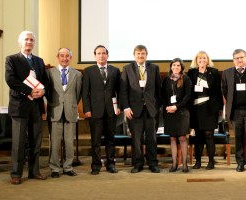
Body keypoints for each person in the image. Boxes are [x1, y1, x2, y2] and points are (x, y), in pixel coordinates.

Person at [5, 30, 49, 184]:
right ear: (20, 42)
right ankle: (16, 174)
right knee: (19, 142)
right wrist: (30, 91)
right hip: (20, 105)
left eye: (31, 40)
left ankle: (34, 171)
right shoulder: (11, 59)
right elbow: (11, 80)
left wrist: (43, 91)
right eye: (26, 39)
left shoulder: (39, 61)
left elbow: (45, 81)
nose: (29, 42)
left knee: (36, 141)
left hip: (36, 106)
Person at [121, 45, 162, 173]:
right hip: (134, 110)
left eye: (143, 53)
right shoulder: (127, 69)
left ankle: (152, 163)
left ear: (146, 55)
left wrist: (157, 106)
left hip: (151, 110)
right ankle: (137, 164)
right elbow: (124, 90)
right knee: (136, 139)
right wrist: (126, 107)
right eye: (138, 54)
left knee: (152, 138)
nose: (140, 56)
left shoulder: (154, 68)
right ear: (134, 55)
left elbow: (158, 89)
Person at [82, 45, 121, 175]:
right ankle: (96, 165)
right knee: (96, 141)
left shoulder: (115, 70)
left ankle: (111, 164)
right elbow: (85, 93)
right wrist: (86, 109)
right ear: (95, 56)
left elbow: (119, 91)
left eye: (103, 53)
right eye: (98, 53)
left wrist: (119, 106)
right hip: (95, 111)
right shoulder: (88, 71)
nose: (101, 55)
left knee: (111, 139)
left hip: (111, 111)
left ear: (107, 55)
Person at [46, 48, 82, 178]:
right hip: (55, 110)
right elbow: (47, 93)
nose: (65, 58)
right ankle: (54, 168)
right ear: (58, 57)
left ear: (70, 58)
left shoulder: (77, 74)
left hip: (70, 111)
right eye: (62, 56)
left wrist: (71, 105)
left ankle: (68, 167)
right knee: (55, 142)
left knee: (69, 141)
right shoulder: (49, 73)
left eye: (67, 56)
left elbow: (78, 94)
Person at [188, 51, 223, 170]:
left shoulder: (213, 72)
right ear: (196, 60)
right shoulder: (192, 72)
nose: (202, 60)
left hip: (210, 107)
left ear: (207, 60)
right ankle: (198, 161)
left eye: (204, 58)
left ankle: (211, 161)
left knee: (209, 135)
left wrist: (220, 107)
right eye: (199, 58)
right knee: (198, 136)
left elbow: (218, 91)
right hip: (196, 108)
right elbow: (189, 91)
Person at [161, 58, 191, 173]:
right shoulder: (167, 79)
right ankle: (174, 164)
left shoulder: (186, 79)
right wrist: (167, 107)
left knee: (182, 138)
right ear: (171, 66)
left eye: (178, 65)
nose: (176, 67)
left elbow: (188, 96)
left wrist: (176, 107)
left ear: (181, 67)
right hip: (169, 112)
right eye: (174, 65)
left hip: (182, 112)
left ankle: (184, 164)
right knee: (172, 138)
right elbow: (163, 96)